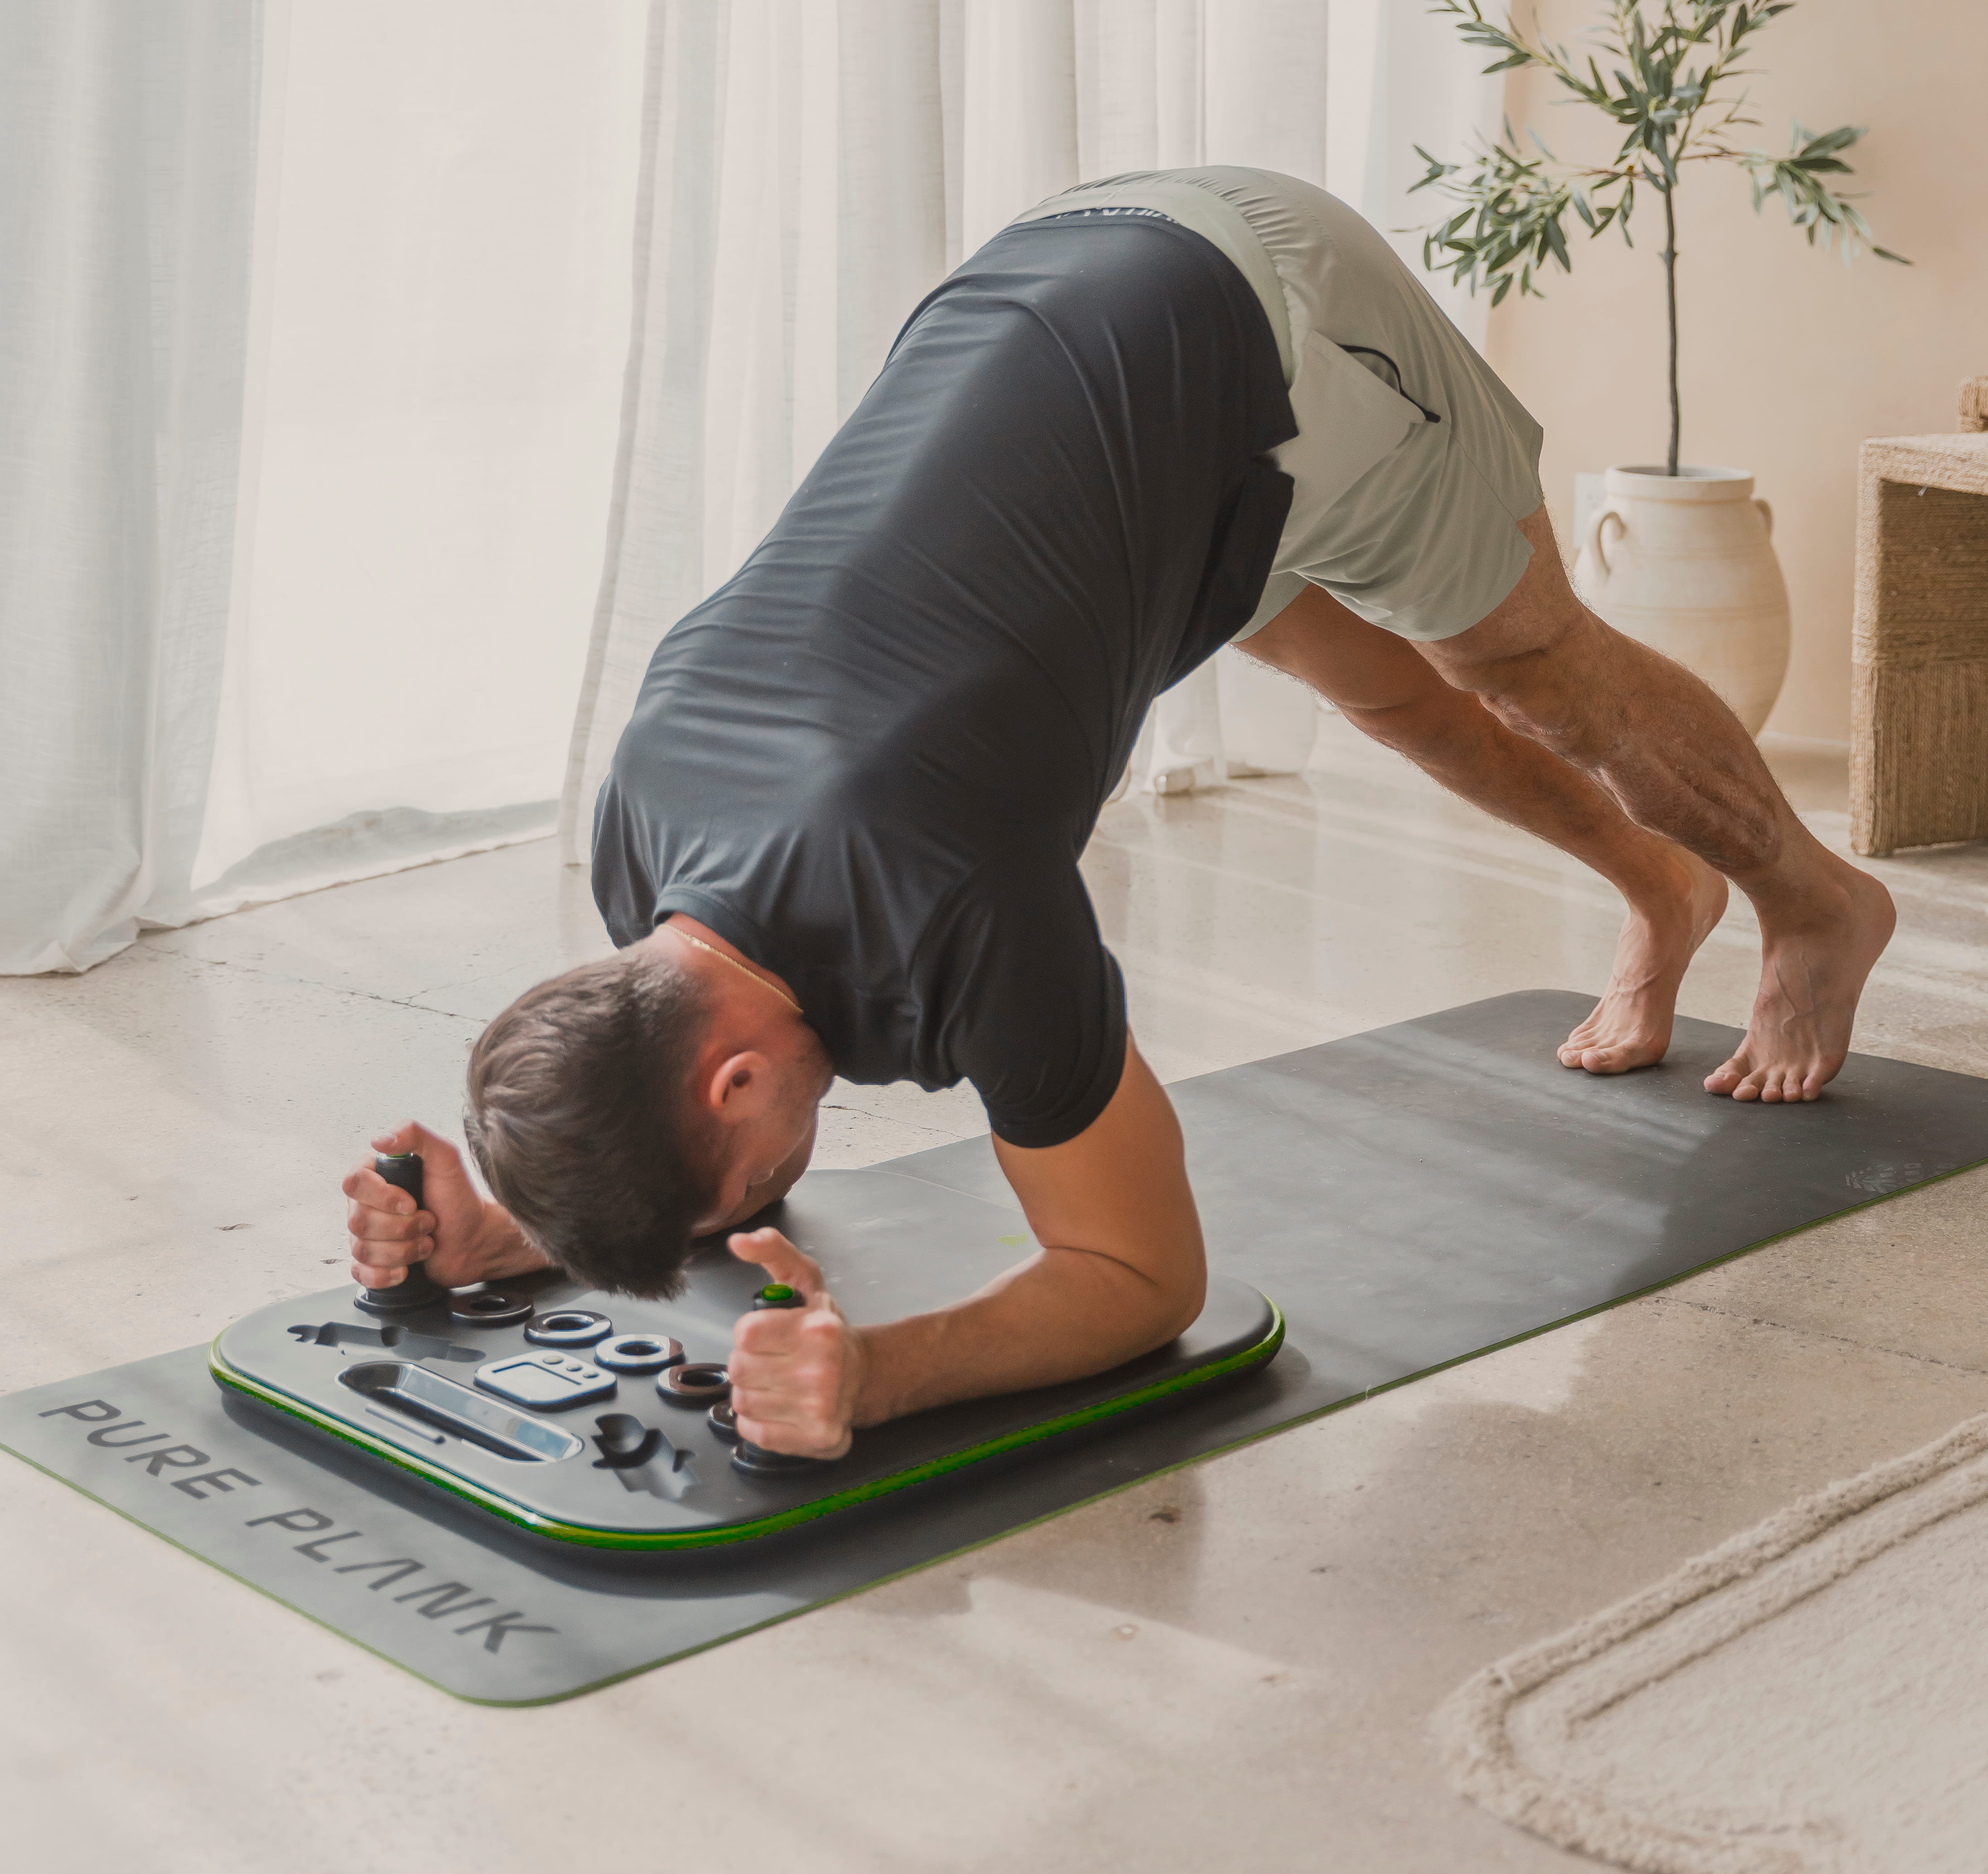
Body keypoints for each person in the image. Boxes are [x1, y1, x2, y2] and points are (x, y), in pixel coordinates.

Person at [343, 169, 1894, 1463]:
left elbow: (1143, 1277)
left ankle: (1816, 902)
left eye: (748, 1179)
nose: (763, 1199)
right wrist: (509, 1213)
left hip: (1256, 313)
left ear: (733, 1071)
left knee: (1524, 664)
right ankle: (1662, 894)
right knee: (1391, 696)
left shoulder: (955, 898)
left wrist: (880, 1374)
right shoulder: (648, 843)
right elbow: (685, 1116)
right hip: (1063, 344)